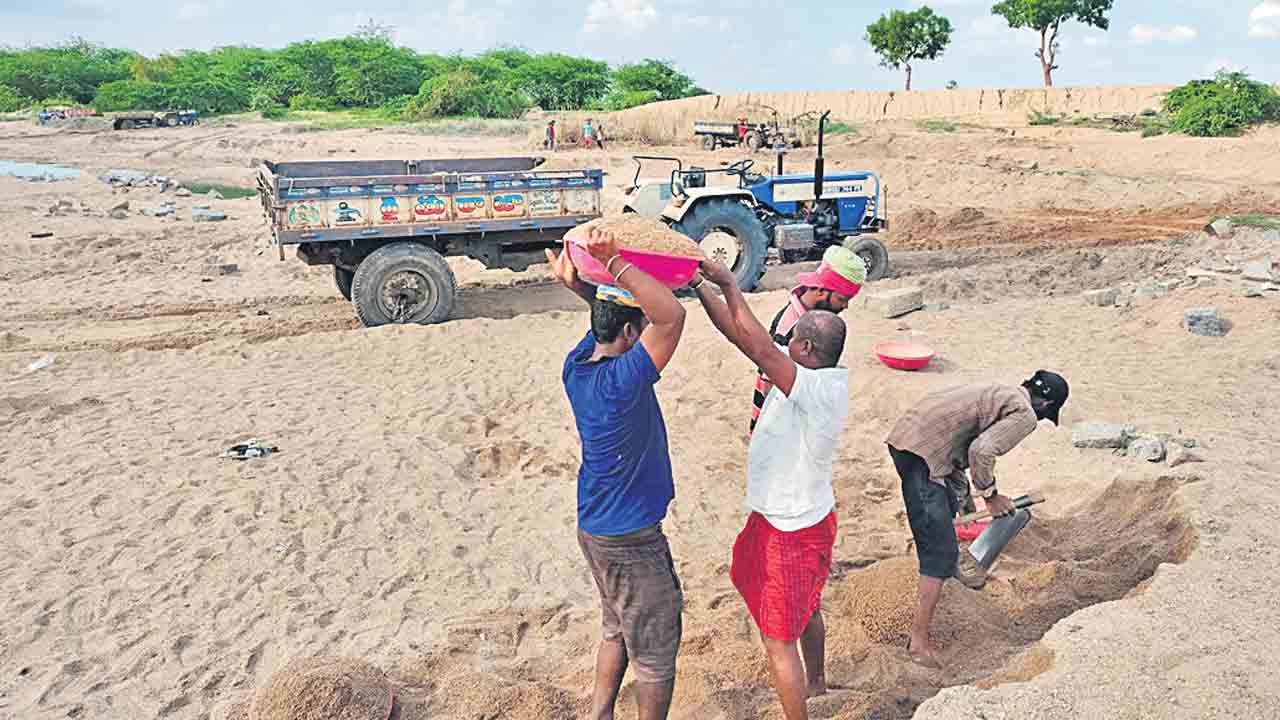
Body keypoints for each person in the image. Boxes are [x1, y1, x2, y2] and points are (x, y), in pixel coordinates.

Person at [693, 259, 849, 720]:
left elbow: (759, 345)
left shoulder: (813, 388)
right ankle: (817, 684)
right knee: (807, 608)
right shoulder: (805, 376)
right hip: (790, 515)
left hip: (793, 528)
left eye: (790, 340)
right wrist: (701, 286)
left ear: (803, 346)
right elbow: (745, 338)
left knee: (778, 640)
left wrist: (726, 281)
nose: (783, 344)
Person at [544, 226, 688, 720]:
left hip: (596, 527)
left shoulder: (578, 364)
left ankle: (600, 713)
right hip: (630, 539)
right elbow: (672, 316)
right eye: (638, 327)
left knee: (616, 626)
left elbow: (608, 316)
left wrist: (580, 285)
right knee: (655, 651)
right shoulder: (625, 381)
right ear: (631, 334)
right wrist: (618, 261)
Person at [884, 371, 1070, 670]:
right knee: (938, 552)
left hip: (908, 436)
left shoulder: (1002, 389)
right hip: (923, 451)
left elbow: (960, 438)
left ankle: (952, 576)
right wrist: (992, 496)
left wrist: (964, 496)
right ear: (1046, 404)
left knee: (946, 511)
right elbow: (981, 450)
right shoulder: (1025, 415)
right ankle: (918, 642)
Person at [750, 245, 865, 434]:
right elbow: (771, 387)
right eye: (842, 298)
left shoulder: (814, 319)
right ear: (821, 291)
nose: (845, 306)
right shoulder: (788, 330)